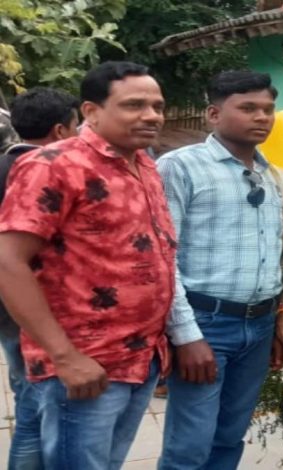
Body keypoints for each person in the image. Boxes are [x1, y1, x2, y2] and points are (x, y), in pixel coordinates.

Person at [0, 61, 174, 470]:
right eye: (134, 105)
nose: (151, 115)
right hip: (84, 365)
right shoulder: (53, 165)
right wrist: (64, 356)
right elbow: (8, 260)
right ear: (91, 112)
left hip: (141, 357)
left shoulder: (143, 163)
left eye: (157, 106)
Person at [157, 70, 283, 470]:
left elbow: (274, 251)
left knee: (229, 438)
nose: (262, 117)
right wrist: (186, 336)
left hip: (259, 327)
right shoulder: (179, 167)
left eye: (268, 109)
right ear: (213, 114)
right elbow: (162, 259)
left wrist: (276, 316)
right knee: (190, 445)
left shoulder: (272, 173)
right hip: (206, 323)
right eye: (248, 108)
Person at [0, 87, 80, 469]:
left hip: (5, 308)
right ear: (61, 130)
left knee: (26, 395)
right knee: (37, 405)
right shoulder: (50, 174)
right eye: (77, 126)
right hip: (38, 307)